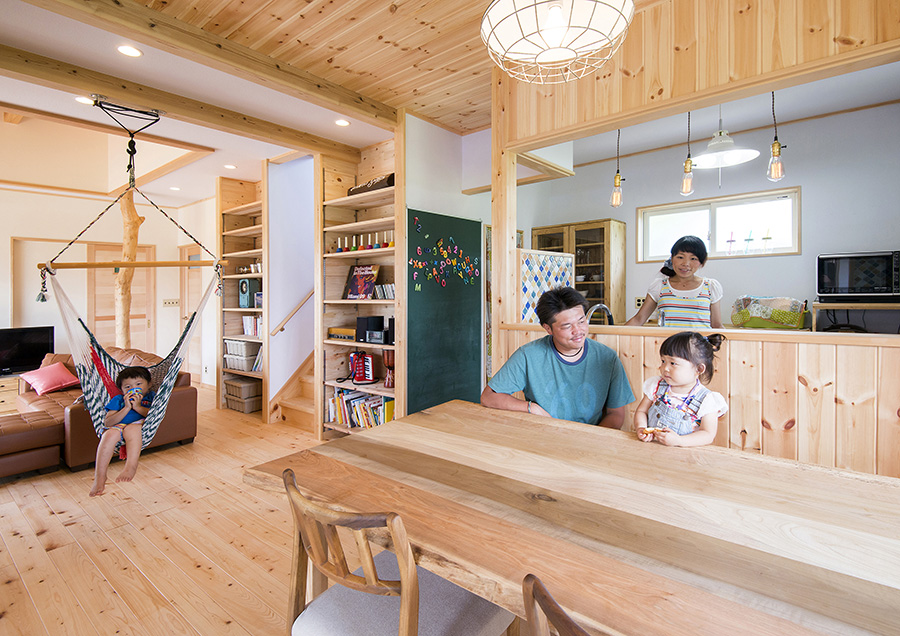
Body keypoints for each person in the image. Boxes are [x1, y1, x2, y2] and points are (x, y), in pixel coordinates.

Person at [481, 286, 634, 428]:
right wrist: (531, 408)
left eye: (581, 321)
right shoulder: (528, 356)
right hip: (543, 436)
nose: (578, 331)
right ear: (548, 329)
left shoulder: (607, 358)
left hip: (590, 440)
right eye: (567, 326)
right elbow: (488, 396)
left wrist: (591, 440)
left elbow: (616, 414)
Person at [635, 331, 727, 447]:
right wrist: (641, 427)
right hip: (651, 448)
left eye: (673, 363)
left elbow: (708, 434)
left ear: (699, 369)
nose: (665, 368)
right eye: (663, 361)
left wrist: (679, 441)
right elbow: (641, 411)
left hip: (685, 454)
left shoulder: (707, 400)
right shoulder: (656, 386)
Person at [625, 235, 724, 328]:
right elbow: (638, 319)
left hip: (699, 341)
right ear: (672, 258)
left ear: (701, 262)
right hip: (667, 341)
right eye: (680, 257)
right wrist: (616, 334)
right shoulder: (659, 286)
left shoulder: (710, 286)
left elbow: (717, 326)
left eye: (693, 258)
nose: (686, 263)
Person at [89, 366, 155, 496]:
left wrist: (137, 406)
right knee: (108, 435)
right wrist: (126, 408)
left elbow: (152, 416)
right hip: (119, 426)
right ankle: (100, 476)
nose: (133, 388)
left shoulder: (150, 398)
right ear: (122, 389)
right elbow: (108, 422)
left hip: (138, 425)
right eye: (127, 387)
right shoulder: (118, 400)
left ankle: (131, 466)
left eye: (138, 384)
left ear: (149, 384)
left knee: (132, 428)